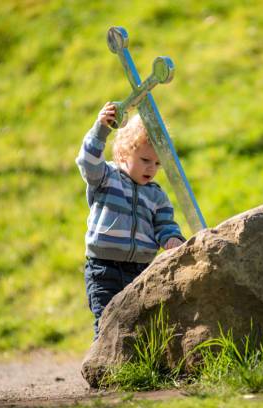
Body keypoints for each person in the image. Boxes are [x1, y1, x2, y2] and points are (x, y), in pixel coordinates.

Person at [75, 101, 185, 341]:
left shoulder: (156, 195)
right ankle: (104, 372)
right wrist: (101, 129)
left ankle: (135, 370)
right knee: (106, 323)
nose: (152, 168)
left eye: (157, 163)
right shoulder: (106, 177)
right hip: (104, 268)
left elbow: (165, 224)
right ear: (124, 153)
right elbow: (87, 162)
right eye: (145, 160)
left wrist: (172, 239)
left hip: (140, 270)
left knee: (140, 325)